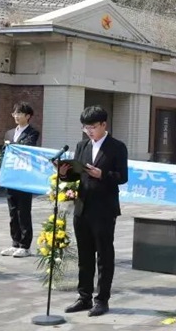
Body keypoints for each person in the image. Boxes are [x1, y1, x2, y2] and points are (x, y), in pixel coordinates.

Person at [60, 106, 128, 317]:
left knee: (104, 256)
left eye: (92, 127)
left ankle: (102, 299)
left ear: (103, 125)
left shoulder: (117, 147)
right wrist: (64, 175)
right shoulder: (82, 146)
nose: (89, 131)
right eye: (85, 127)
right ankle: (84, 297)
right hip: (82, 207)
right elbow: (77, 175)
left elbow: (122, 177)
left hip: (104, 209)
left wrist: (103, 174)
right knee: (84, 255)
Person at [0, 102, 40, 258]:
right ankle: (15, 243)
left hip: (24, 178)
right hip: (11, 176)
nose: (16, 116)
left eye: (19, 113)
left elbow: (26, 148)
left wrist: (11, 147)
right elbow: (4, 152)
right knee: (12, 212)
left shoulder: (32, 132)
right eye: (14, 113)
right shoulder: (9, 133)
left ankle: (25, 245)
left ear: (28, 116)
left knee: (23, 211)